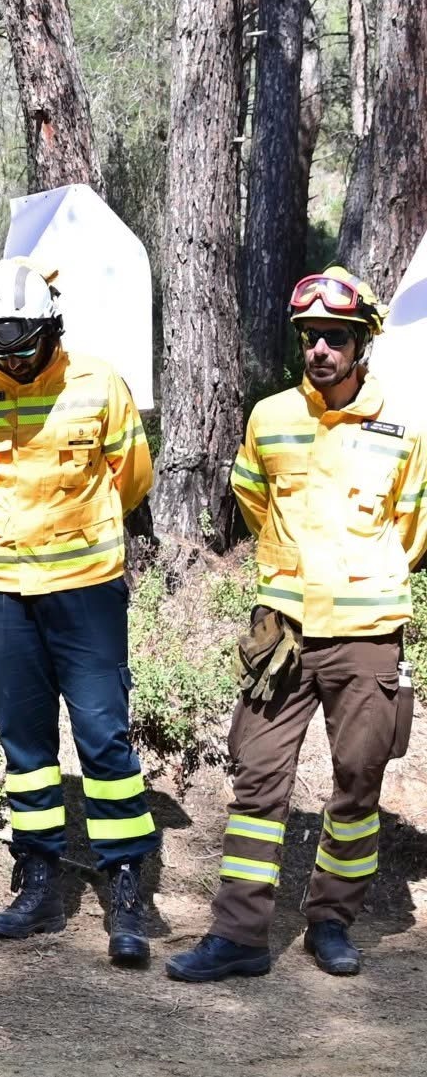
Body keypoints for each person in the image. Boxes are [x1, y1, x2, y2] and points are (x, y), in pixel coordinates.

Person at [168, 266, 427, 982]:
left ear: (361, 343)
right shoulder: (270, 415)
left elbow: (413, 524)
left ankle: (331, 922)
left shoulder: (404, 428)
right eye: (310, 336)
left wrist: (361, 580)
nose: (319, 348)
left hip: (368, 634)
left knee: (357, 779)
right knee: (256, 779)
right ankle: (240, 935)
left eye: (334, 337)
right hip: (281, 630)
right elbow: (253, 496)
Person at [0, 257, 158, 965]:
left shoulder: (99, 383)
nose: (11, 358)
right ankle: (37, 877)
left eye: (23, 343)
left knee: (102, 735)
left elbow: (132, 479)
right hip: (7, 590)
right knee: (25, 743)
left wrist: (77, 535)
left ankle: (126, 880)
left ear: (51, 327)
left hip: (88, 588)